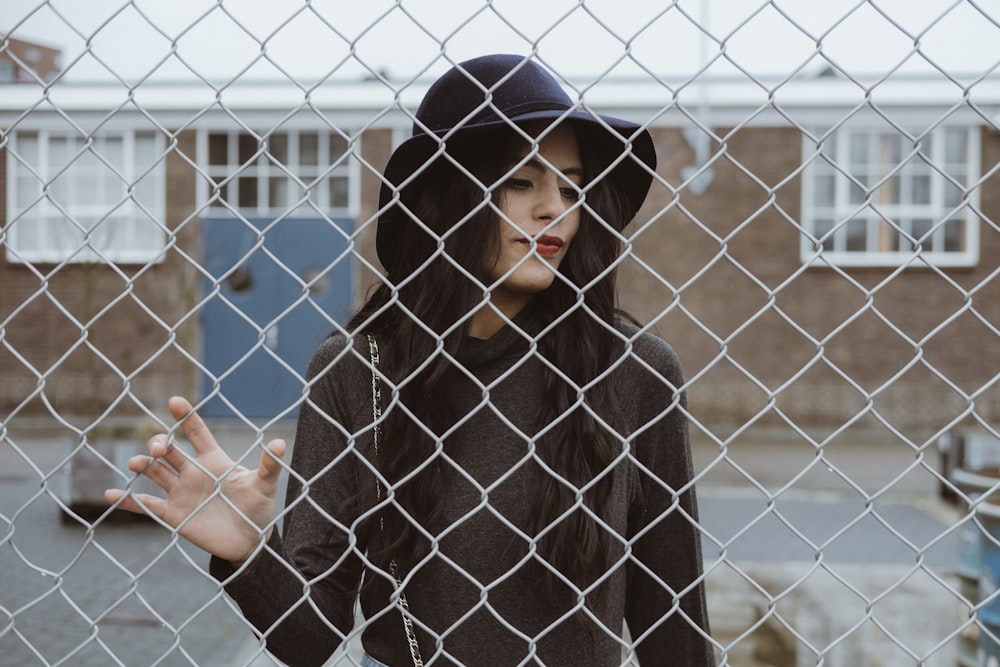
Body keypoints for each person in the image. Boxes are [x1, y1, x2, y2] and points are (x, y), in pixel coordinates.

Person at [106, 54, 714, 666]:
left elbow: (675, 624)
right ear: (451, 198)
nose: (553, 207)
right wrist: (247, 551)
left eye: (571, 186)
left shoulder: (633, 370)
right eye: (522, 182)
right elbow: (309, 638)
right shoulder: (360, 369)